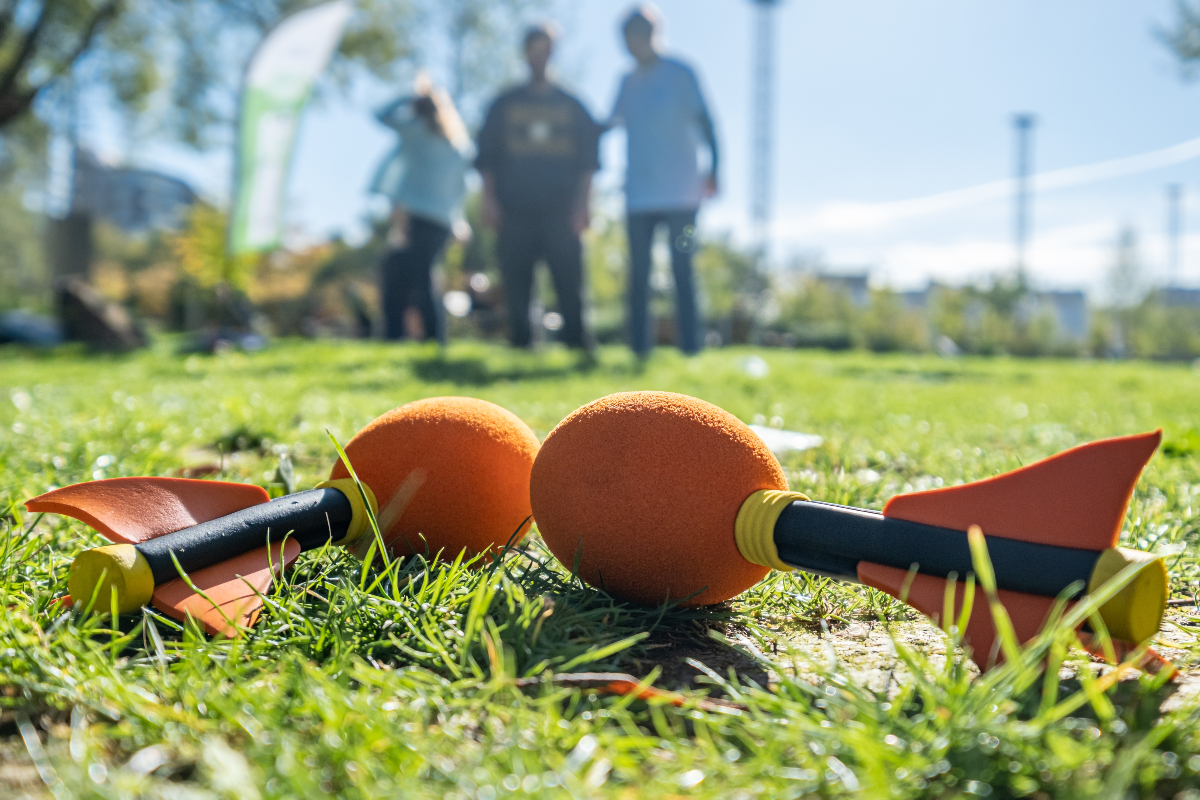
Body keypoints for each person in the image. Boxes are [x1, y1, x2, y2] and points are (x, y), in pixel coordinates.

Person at [475, 23, 600, 351]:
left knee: (570, 281)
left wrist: (583, 205)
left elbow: (589, 161)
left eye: (545, 49)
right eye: (533, 48)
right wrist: (488, 200)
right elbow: (486, 157)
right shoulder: (503, 105)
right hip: (514, 208)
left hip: (561, 209)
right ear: (525, 53)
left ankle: (578, 345)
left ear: (553, 53)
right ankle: (522, 343)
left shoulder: (572, 105)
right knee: (516, 283)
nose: (539, 56)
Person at [608, 5, 719, 356]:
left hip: (681, 193)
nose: (631, 46)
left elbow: (707, 123)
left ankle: (691, 349)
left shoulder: (681, 73)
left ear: (652, 33)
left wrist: (715, 168)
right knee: (638, 275)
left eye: (637, 37)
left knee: (682, 271)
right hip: (638, 195)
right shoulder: (626, 81)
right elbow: (610, 122)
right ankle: (639, 350)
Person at [370, 75, 473, 343]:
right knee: (414, 272)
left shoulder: (416, 133)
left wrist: (407, 95)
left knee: (413, 276)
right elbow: (461, 190)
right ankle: (419, 336)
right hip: (442, 222)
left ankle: (423, 337)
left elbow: (380, 115)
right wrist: (460, 221)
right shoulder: (457, 147)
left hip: (416, 218)